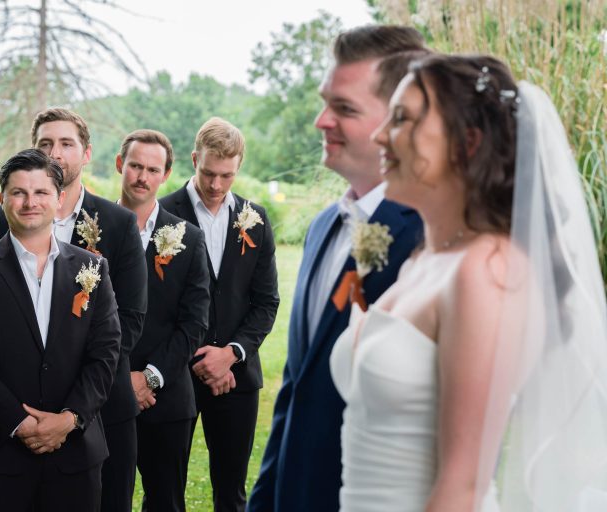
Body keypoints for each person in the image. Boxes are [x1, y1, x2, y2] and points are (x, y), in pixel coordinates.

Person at [330, 53, 607, 511]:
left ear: (467, 142)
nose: (381, 134)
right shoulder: (426, 258)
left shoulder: (489, 271)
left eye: (402, 119)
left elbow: (463, 487)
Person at [248, 26, 426, 512]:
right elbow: (296, 387)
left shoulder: (433, 240)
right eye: (325, 102)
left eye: (344, 108)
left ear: (403, 121)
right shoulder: (324, 225)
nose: (320, 120)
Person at [0, 108, 147, 511]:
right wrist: (26, 411)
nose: (55, 153)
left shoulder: (120, 223)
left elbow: (130, 320)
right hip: (17, 413)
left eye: (66, 144)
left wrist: (70, 409)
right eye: (45, 144)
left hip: (99, 409)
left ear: (85, 153)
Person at [0, 149, 121, 511]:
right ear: (2, 199)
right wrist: (20, 424)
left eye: (40, 192)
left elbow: (105, 354)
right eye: (18, 192)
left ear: (59, 199)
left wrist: (69, 419)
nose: (29, 202)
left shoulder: (93, 268)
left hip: (75, 458)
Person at [160, 117, 280, 512]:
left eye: (226, 176)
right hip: (174, 376)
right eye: (208, 173)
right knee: (165, 493)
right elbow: (155, 305)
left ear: (239, 167)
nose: (215, 185)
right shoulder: (161, 215)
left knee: (232, 494)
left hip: (237, 377)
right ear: (194, 159)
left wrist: (232, 353)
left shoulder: (256, 220)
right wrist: (194, 357)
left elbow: (266, 302)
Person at [115, 129, 211, 511]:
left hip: (167, 396)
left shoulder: (188, 237)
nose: (142, 177)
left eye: (152, 169)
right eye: (135, 166)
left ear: (166, 175)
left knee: (166, 502)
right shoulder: (89, 231)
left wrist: (151, 376)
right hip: (103, 394)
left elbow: (194, 323)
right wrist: (120, 379)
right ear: (120, 164)